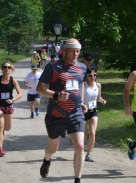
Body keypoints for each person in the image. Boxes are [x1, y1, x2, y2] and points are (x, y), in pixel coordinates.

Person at [36, 38, 87, 183]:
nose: (76, 54)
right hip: (56, 114)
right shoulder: (53, 67)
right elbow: (40, 88)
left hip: (75, 113)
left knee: (79, 145)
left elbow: (81, 84)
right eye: (72, 51)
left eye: (78, 51)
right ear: (65, 51)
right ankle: (47, 159)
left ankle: (77, 180)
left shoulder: (82, 67)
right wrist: (56, 95)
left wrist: (81, 101)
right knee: (53, 149)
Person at [0, 61, 22, 157]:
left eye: (9, 67)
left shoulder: (13, 80)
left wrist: (12, 100)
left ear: (11, 69)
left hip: (9, 106)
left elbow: (20, 93)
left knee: (7, 128)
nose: (7, 69)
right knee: (0, 125)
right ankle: (0, 149)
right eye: (5, 67)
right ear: (2, 69)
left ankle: (2, 132)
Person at [84, 67, 107, 162]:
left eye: (94, 75)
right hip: (84, 111)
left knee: (93, 132)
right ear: (86, 76)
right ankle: (79, 150)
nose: (92, 77)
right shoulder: (83, 85)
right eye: (90, 75)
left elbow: (99, 97)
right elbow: (80, 98)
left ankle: (88, 154)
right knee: (84, 134)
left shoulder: (98, 85)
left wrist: (102, 100)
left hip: (93, 111)